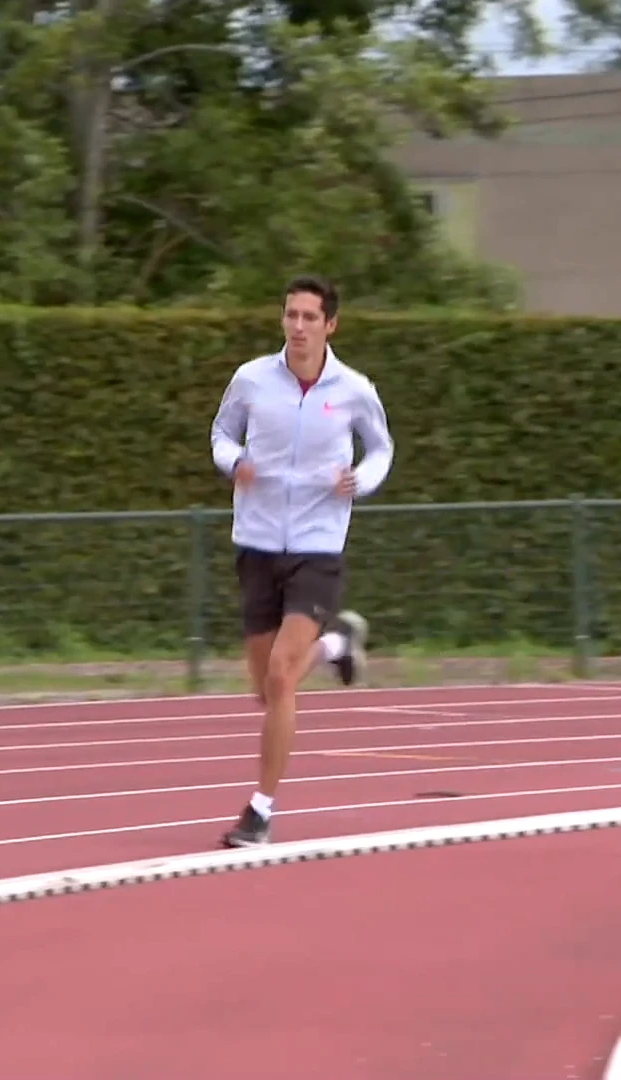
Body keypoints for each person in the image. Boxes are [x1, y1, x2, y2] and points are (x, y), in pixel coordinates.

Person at [207, 274, 393, 848]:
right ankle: (338, 646)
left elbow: (382, 447)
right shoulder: (252, 379)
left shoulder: (354, 388)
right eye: (291, 315)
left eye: (311, 317)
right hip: (257, 539)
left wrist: (358, 480)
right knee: (266, 689)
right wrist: (232, 460)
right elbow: (219, 433)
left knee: (284, 677)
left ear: (330, 325)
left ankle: (260, 810)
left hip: (317, 542)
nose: (299, 326)